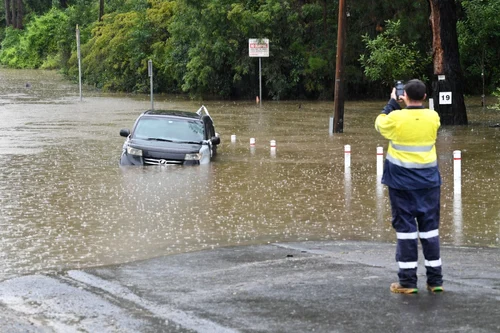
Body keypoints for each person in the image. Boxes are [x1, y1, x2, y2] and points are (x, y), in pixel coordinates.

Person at [375, 79, 444, 294]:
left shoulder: (395, 117)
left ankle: (407, 282)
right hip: (429, 183)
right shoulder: (433, 117)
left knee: (406, 231)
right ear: (425, 97)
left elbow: (379, 123)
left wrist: (392, 103)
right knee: (430, 231)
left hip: (401, 184)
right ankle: (435, 281)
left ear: (403, 96)